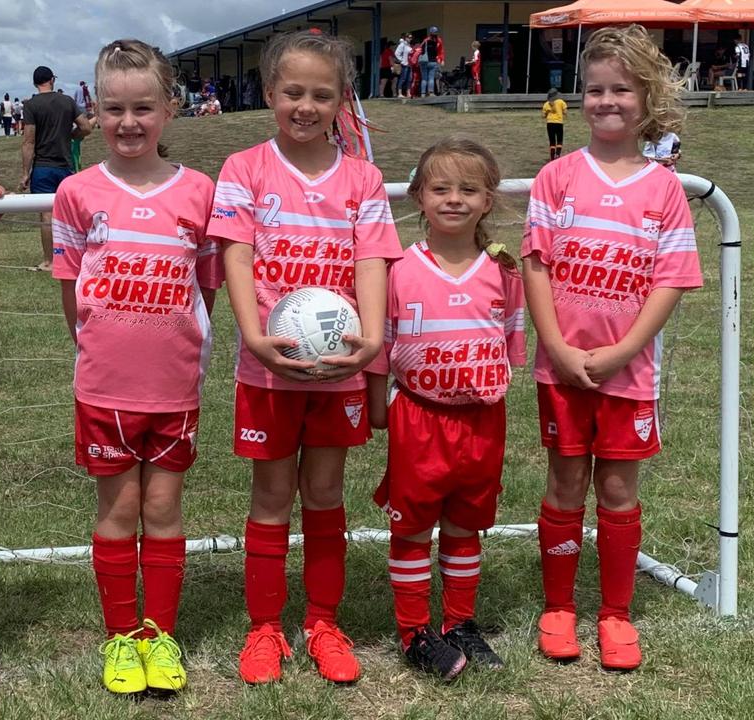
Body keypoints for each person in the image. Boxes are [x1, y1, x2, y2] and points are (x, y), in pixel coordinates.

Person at [208, 29, 401, 686]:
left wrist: (370, 339)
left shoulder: (363, 178)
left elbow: (372, 260)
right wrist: (255, 336)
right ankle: (264, 627)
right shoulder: (244, 170)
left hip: (338, 369)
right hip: (269, 368)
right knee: (270, 497)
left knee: (323, 492)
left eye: (322, 94)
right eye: (293, 91)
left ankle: (323, 622)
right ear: (270, 94)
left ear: (343, 101)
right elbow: (234, 254)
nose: (306, 105)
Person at [522, 24, 701, 673]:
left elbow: (672, 278)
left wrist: (625, 348)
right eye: (594, 89)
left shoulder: (661, 189)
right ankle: (560, 608)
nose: (606, 101)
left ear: (645, 97)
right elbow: (535, 264)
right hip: (562, 369)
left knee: (619, 490)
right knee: (566, 482)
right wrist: (557, 346)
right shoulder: (556, 177)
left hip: (630, 374)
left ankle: (616, 615)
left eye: (620, 89)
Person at [49, 38, 220, 696]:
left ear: (170, 110)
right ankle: (122, 638)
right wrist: (98, 345)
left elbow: (206, 285)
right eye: (114, 107)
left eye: (143, 107)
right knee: (119, 513)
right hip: (105, 387)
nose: (128, 122)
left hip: (173, 386)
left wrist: (178, 341)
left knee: (165, 510)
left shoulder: (199, 192)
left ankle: (160, 634)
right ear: (95, 109)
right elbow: (72, 291)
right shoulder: (76, 192)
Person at [367, 138, 526, 681]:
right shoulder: (397, 270)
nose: (453, 199)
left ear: (488, 199)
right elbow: (381, 344)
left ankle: (459, 623)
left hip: (482, 421)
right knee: (412, 528)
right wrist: (376, 407)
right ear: (418, 196)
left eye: (468, 189)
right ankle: (414, 630)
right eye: (440, 188)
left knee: (464, 524)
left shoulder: (505, 273)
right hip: (419, 417)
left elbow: (508, 343)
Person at [20, 64, 94, 271]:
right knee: (71, 214)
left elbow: (28, 141)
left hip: (43, 166)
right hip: (66, 165)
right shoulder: (67, 101)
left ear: (35, 83)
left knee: (46, 214)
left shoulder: (31, 105)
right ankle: (77, 256)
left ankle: (50, 261)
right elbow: (86, 127)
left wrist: (25, 173)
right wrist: (71, 136)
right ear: (52, 80)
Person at [417, 27, 445, 97]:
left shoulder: (426, 40)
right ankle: (431, 93)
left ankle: (423, 94)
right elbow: (441, 51)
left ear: (430, 32)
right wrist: (442, 59)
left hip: (424, 61)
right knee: (431, 78)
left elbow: (420, 49)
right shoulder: (438, 41)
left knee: (424, 78)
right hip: (433, 61)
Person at [542, 88, 567, 161]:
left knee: (552, 141)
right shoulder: (561, 102)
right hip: (559, 123)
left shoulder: (546, 104)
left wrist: (548, 113)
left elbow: (543, 116)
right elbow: (565, 112)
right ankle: (558, 154)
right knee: (559, 139)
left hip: (550, 123)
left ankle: (552, 157)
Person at [396, 33, 414, 98]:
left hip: (409, 65)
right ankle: (399, 93)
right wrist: (402, 60)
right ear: (406, 38)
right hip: (404, 64)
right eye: (409, 37)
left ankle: (408, 93)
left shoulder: (409, 45)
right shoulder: (402, 45)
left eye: (411, 37)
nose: (410, 39)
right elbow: (397, 53)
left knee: (409, 79)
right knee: (403, 79)